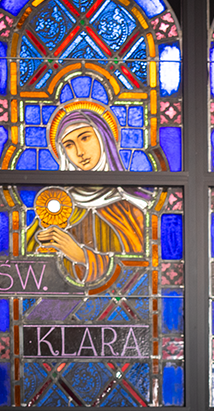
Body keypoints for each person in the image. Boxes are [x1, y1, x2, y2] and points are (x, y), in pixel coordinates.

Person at [21, 101, 153, 291]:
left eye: (85, 138)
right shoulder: (55, 209)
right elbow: (23, 274)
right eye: (69, 145)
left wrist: (83, 257)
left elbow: (143, 278)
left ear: (103, 139)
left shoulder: (131, 213)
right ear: (62, 152)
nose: (80, 152)